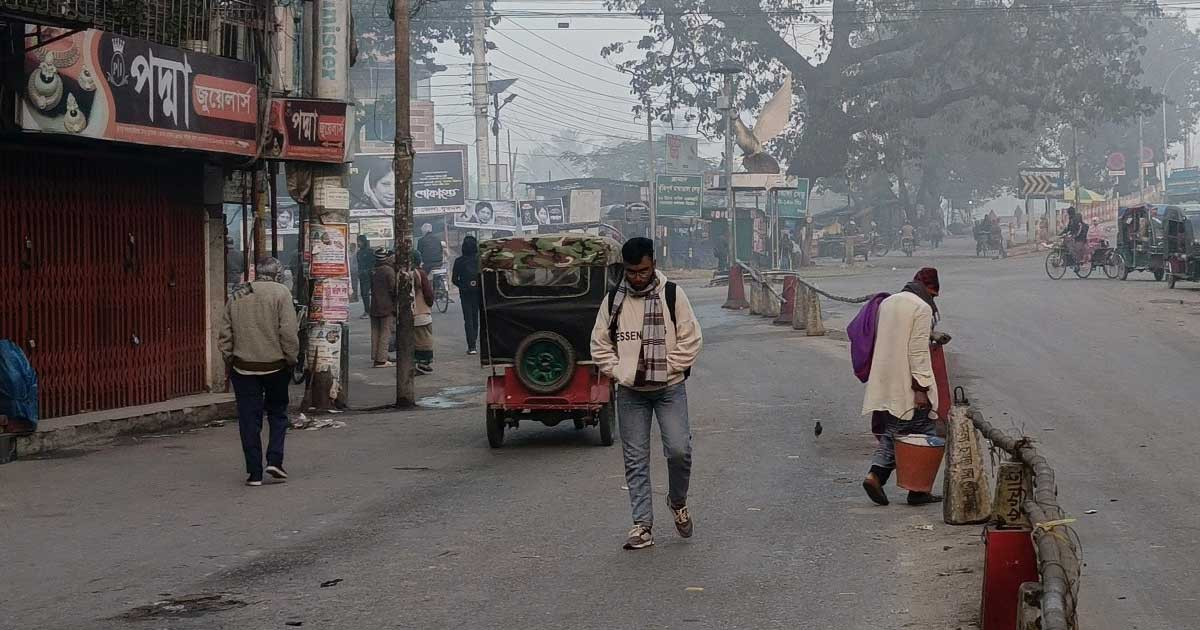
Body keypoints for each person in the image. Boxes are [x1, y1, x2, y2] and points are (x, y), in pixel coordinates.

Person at [590, 237, 704, 550]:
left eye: (642, 270)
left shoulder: (672, 294)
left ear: (653, 262)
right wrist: (620, 371)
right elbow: (599, 344)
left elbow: (691, 340)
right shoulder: (613, 300)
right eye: (631, 272)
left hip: (669, 388)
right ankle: (642, 525)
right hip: (631, 393)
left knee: (679, 450)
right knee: (635, 459)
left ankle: (677, 501)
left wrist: (666, 367)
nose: (637, 277)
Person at [861, 268, 943, 507]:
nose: (934, 299)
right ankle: (916, 489)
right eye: (934, 295)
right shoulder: (922, 308)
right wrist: (920, 388)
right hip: (907, 383)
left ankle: (875, 476)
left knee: (894, 429)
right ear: (930, 289)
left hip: (885, 381)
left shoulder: (889, 302)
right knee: (923, 433)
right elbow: (917, 352)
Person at [217, 257, 300, 487]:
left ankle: (254, 473)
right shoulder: (281, 293)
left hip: (243, 367)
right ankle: (275, 460)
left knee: (248, 419)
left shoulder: (237, 295)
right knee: (277, 414)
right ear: (277, 274)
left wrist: (230, 358)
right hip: (275, 366)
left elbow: (225, 333)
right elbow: (289, 332)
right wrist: (291, 359)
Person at [452, 235, 482, 355]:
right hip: (477, 292)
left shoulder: (458, 261)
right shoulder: (479, 259)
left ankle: (472, 346)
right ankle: (474, 339)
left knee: (468, 319)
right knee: (475, 317)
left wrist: (463, 286)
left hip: (465, 294)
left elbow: (454, 279)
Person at [369, 248, 398, 368]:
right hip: (386, 306)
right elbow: (393, 289)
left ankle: (377, 355)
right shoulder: (388, 271)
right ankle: (381, 360)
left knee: (375, 332)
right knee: (385, 332)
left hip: (374, 305)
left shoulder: (373, 270)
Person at [411, 251, 436, 374]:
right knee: (424, 339)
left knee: (414, 340)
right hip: (421, 311)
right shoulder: (420, 273)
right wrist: (430, 303)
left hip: (408, 313)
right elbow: (428, 294)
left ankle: (416, 363)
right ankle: (422, 364)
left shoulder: (405, 273)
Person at [356, 235, 374, 319]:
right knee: (364, 294)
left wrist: (368, 271)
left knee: (368, 294)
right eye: (358, 241)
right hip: (362, 276)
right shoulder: (359, 253)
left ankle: (369, 311)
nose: (358, 243)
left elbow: (373, 264)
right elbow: (359, 264)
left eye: (360, 241)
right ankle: (367, 311)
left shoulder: (370, 251)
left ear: (364, 242)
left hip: (370, 276)